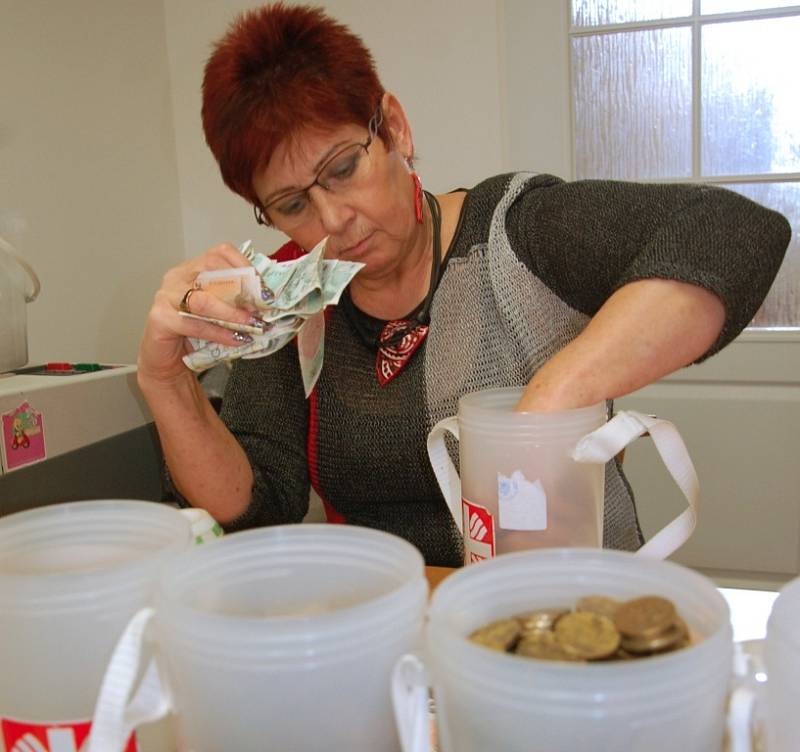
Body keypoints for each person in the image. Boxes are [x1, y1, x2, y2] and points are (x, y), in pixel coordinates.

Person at [138, 2, 791, 568]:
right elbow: (254, 504)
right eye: (291, 204)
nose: (334, 220)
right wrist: (164, 380)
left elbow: (733, 232)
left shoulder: (517, 233)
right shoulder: (289, 296)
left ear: (393, 127)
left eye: (342, 168)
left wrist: (550, 402)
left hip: (569, 616)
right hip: (403, 627)